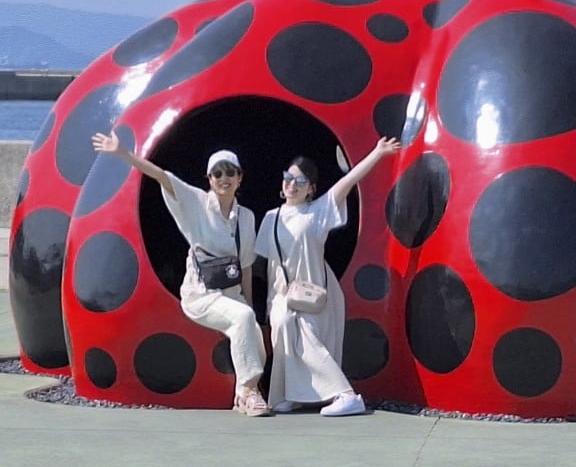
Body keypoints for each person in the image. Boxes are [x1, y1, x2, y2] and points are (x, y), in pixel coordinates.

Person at [91, 130, 270, 416]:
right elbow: (162, 176)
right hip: (202, 294)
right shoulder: (196, 202)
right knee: (243, 319)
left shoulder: (246, 217)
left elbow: (245, 266)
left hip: (231, 293)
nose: (224, 178)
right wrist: (123, 153)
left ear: (240, 178)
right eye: (218, 173)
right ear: (209, 179)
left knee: (252, 330)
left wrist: (249, 302)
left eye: (230, 172)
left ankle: (242, 395)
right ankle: (249, 391)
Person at [255, 137, 400, 416]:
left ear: (311, 189)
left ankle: (346, 394)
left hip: (315, 290)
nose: (292, 184)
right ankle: (288, 394)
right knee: (283, 329)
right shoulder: (271, 217)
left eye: (300, 180)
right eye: (288, 178)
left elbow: (348, 183)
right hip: (281, 294)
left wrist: (378, 152)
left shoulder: (316, 212)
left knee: (306, 337)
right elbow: (266, 264)